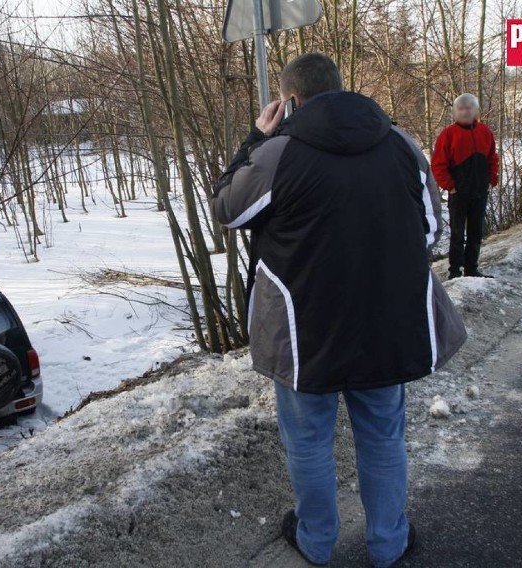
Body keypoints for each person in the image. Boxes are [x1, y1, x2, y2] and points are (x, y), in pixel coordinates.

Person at [211, 53, 467, 568]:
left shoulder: (278, 153)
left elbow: (227, 209)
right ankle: (389, 542)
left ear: (290, 101)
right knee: (382, 435)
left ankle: (316, 541)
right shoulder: (401, 144)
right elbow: (434, 234)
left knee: (307, 439)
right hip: (385, 322)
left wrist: (255, 139)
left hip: (306, 333)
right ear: (342, 89)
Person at [431, 93, 500, 279]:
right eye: (460, 109)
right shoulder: (448, 134)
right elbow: (438, 165)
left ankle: (472, 269)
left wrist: (491, 180)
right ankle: (455, 271)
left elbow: (492, 158)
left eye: (469, 108)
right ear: (455, 112)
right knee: (457, 235)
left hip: (480, 191)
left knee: (476, 233)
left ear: (476, 110)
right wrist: (450, 186)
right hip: (458, 193)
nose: (465, 112)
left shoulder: (485, 132)